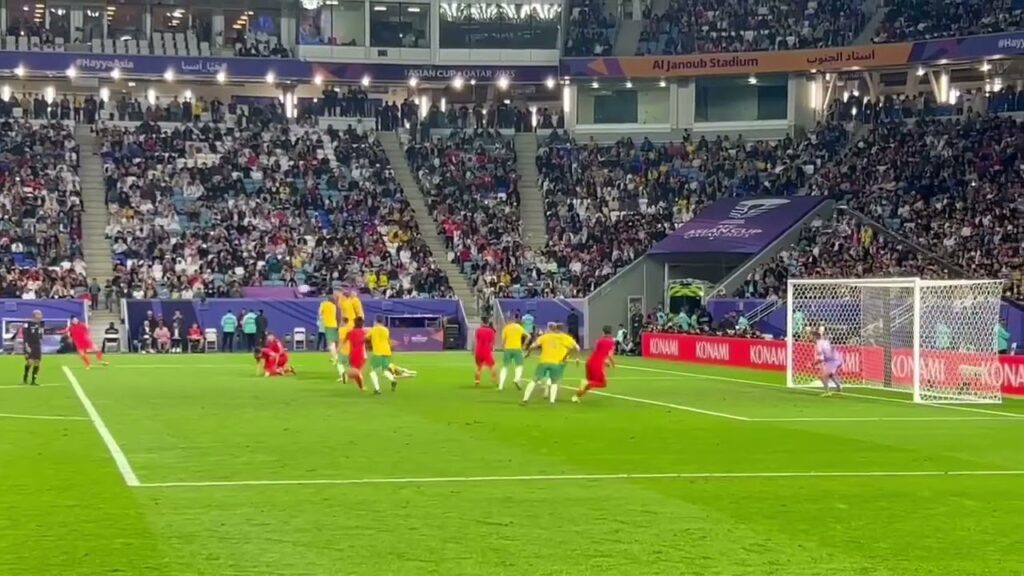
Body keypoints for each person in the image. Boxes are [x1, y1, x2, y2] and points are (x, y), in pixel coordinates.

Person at [522, 323, 579, 405]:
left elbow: (532, 346)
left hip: (543, 362)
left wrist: (528, 354)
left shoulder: (545, 336)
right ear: (563, 329)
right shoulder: (566, 338)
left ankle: (525, 399)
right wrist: (567, 356)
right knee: (554, 382)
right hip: (556, 363)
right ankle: (552, 401)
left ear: (554, 328)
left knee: (534, 380)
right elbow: (577, 348)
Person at [573, 325, 615, 402]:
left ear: (603, 332)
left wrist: (605, 362)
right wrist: (613, 363)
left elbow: (597, 351)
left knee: (591, 383)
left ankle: (576, 396)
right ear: (611, 332)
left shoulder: (599, 340)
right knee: (602, 383)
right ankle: (585, 383)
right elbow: (609, 354)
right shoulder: (611, 342)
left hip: (590, 362)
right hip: (597, 364)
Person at [499, 314, 527, 390]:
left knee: (505, 367)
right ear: (514, 320)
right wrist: (524, 345)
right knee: (519, 366)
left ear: (508, 320)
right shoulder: (519, 327)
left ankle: (500, 386)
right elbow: (528, 336)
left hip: (508, 349)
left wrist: (503, 347)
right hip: (517, 349)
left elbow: (503, 340)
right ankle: (516, 379)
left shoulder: (506, 328)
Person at [815, 328, 843, 396]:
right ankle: (838, 386)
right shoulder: (825, 342)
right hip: (837, 359)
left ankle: (827, 392)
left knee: (822, 376)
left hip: (832, 361)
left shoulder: (819, 344)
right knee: (830, 374)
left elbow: (821, 358)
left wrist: (815, 363)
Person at [343, 317, 368, 390]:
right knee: (357, 371)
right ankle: (347, 374)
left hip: (351, 353)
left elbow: (344, 341)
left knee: (357, 372)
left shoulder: (350, 332)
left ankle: (361, 387)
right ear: (362, 324)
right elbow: (367, 340)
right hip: (360, 354)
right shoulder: (363, 332)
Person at [474, 318, 497, 387]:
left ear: (482, 322)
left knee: (478, 367)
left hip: (478, 350)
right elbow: (492, 341)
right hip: (487, 351)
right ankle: (493, 379)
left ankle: (477, 381)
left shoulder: (478, 330)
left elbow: (476, 339)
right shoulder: (491, 331)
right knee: (492, 365)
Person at [22, 310, 43, 385]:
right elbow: (25, 336)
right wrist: (26, 345)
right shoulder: (27, 323)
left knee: (37, 362)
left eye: (41, 314)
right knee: (30, 362)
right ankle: (25, 377)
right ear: (35, 315)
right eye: (39, 314)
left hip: (37, 345)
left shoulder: (40, 324)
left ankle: (33, 380)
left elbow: (40, 334)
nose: (41, 316)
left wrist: (40, 340)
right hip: (29, 344)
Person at [319, 293, 339, 364]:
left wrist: (322, 316)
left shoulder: (324, 304)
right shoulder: (334, 306)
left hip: (328, 325)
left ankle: (336, 358)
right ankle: (334, 357)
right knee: (333, 342)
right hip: (334, 325)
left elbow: (320, 313)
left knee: (330, 344)